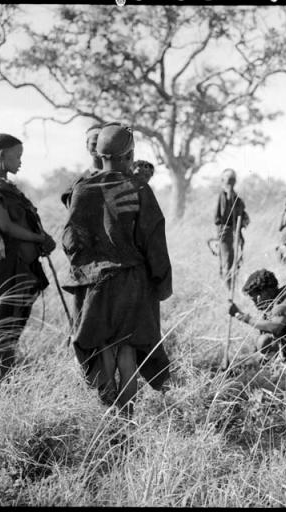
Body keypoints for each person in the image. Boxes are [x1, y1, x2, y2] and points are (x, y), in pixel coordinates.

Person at [61, 122, 173, 417]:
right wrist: (161, 282)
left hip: (97, 283)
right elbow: (154, 239)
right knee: (127, 350)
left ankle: (109, 414)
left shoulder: (82, 189)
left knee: (104, 347)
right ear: (130, 152)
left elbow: (71, 240)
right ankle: (127, 417)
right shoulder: (137, 188)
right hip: (133, 282)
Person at [0, 133, 56, 380]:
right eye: (17, 155)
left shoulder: (9, 187)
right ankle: (4, 377)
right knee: (7, 324)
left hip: (24, 267)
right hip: (8, 268)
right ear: (2, 155)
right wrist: (39, 238)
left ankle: (9, 375)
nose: (21, 161)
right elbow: (6, 226)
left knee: (16, 323)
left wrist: (39, 238)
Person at [214, 168, 249, 289]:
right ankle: (227, 290)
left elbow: (244, 216)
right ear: (222, 180)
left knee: (236, 262)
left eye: (232, 179)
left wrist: (243, 221)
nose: (230, 182)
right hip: (225, 233)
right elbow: (218, 218)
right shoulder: (222, 196)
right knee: (227, 262)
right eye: (227, 179)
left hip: (237, 233)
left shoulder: (238, 199)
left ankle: (232, 288)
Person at [61, 124, 103, 207]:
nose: (97, 147)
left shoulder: (120, 176)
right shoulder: (80, 181)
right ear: (87, 146)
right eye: (94, 144)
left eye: (101, 143)